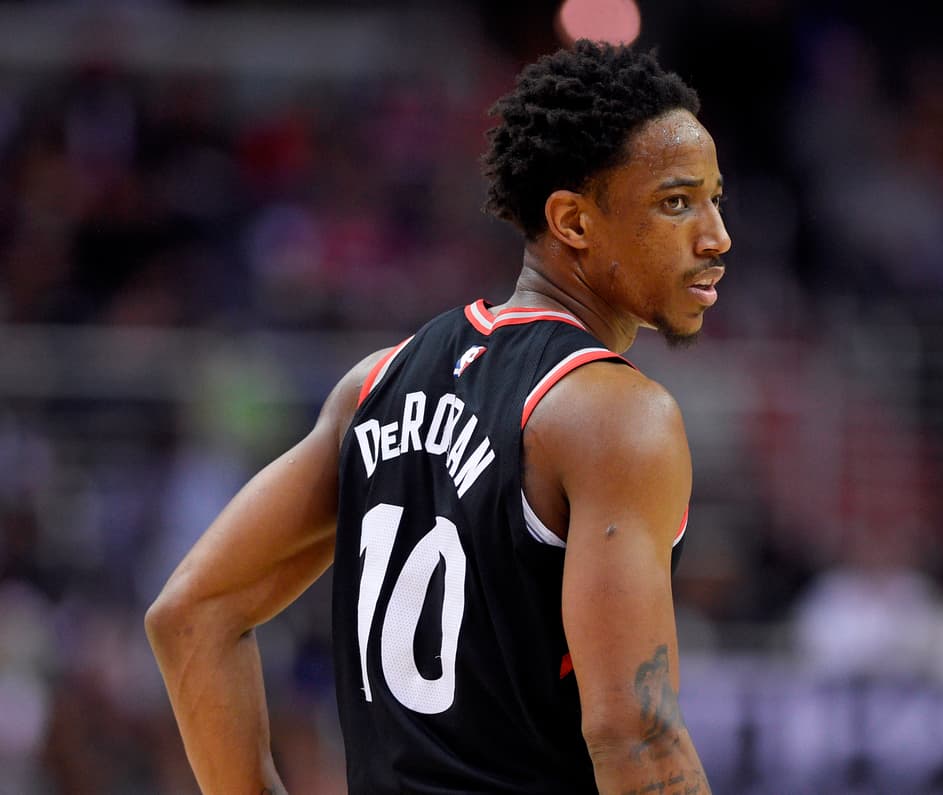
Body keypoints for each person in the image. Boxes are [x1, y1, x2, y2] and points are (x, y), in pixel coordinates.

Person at [145, 40, 730, 795]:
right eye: (676, 202)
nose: (716, 235)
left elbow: (191, 612)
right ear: (573, 222)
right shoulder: (615, 415)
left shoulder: (375, 383)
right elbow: (636, 732)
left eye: (717, 197)